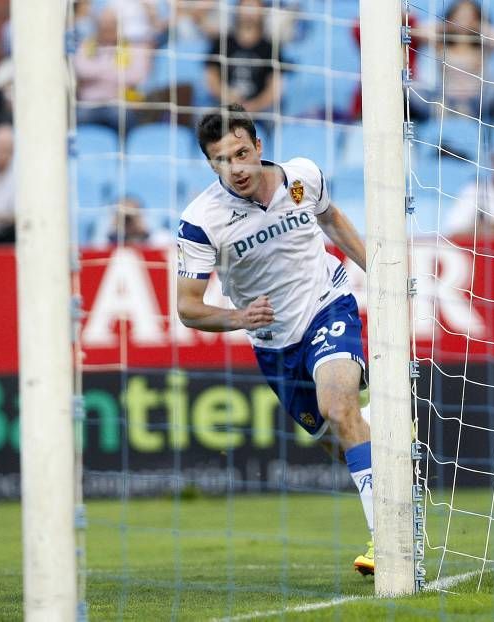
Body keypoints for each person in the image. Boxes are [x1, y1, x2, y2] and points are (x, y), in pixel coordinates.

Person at [176, 104, 375, 575]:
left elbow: (333, 222)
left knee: (337, 406)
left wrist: (380, 271)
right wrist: (238, 317)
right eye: (222, 160)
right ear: (210, 164)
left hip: (327, 304)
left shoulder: (301, 176)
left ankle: (387, 538)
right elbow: (187, 306)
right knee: (334, 433)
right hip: (274, 342)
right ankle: (382, 431)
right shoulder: (201, 221)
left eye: (242, 153)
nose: (236, 167)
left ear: (258, 146)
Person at [75, 7, 150, 132]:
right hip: (89, 104)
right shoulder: (86, 45)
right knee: (78, 117)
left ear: (118, 26)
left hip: (119, 103)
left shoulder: (130, 47)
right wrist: (114, 70)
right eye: (104, 25)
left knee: (121, 117)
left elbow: (137, 76)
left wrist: (97, 71)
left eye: (111, 25)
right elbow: (81, 70)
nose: (107, 28)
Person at [204, 0, 282, 115]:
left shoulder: (270, 48)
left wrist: (255, 105)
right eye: (246, 8)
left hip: (259, 113)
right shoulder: (222, 43)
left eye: (254, 8)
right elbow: (211, 77)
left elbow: (275, 87)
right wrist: (229, 97)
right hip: (223, 107)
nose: (249, 13)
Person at [89, 195, 172, 247]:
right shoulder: (102, 243)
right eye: (122, 216)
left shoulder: (160, 240)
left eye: (132, 214)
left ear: (142, 215)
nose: (127, 221)